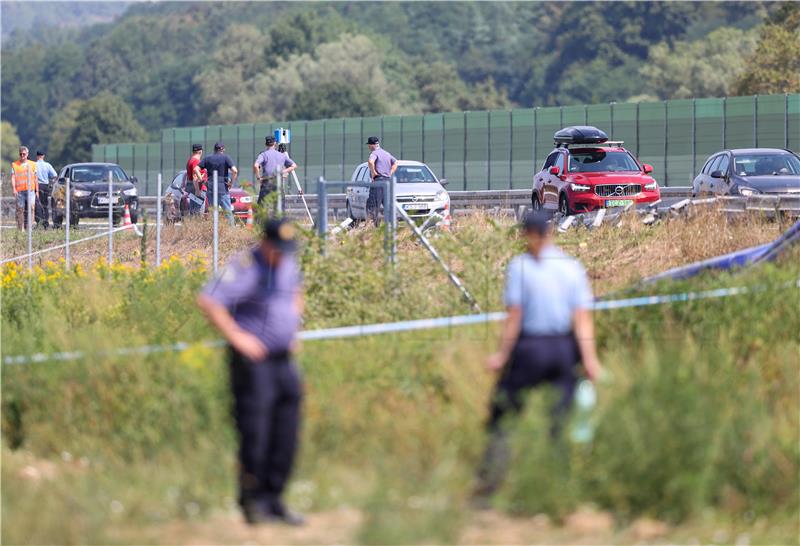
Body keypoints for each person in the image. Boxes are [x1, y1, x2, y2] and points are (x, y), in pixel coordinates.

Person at [474, 210, 602, 502]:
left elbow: (515, 317)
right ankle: (561, 488)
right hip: (563, 350)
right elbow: (582, 318)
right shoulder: (571, 267)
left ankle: (489, 486)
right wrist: (590, 360)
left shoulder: (520, 267)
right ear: (550, 232)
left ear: (527, 235)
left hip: (531, 348)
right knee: (560, 420)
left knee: (504, 413)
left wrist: (502, 355)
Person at [197, 218, 305, 526]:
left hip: (283, 360)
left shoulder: (287, 263)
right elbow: (209, 300)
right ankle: (252, 502)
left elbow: (296, 292)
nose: (283, 254)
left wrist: (293, 329)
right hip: (253, 364)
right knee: (256, 431)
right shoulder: (246, 266)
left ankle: (275, 499)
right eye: (278, 249)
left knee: (287, 431)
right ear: (265, 243)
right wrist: (238, 337)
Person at [199, 142, 238, 225]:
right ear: (223, 149)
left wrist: (202, 181)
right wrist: (231, 182)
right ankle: (231, 231)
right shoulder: (226, 158)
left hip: (210, 188)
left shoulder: (207, 158)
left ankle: (214, 231)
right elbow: (235, 171)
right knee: (227, 211)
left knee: (213, 211)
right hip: (222, 188)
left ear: (214, 149)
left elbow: (196, 169)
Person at [254, 136, 297, 205]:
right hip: (278, 183)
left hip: (266, 183)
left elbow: (256, 165)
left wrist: (259, 178)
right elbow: (294, 165)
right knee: (279, 207)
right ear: (275, 143)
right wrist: (283, 172)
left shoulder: (263, 154)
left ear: (265, 144)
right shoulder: (282, 155)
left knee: (261, 207)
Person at [365, 136, 397, 226]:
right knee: (388, 206)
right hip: (387, 182)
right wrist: (390, 173)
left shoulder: (374, 153)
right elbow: (395, 162)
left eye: (369, 145)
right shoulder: (386, 153)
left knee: (373, 206)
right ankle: (392, 227)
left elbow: (370, 162)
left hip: (378, 181)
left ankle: (373, 228)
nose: (368, 147)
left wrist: (373, 172)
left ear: (372, 145)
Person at [11, 146, 38, 231]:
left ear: (27, 154)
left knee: (32, 208)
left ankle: (29, 227)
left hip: (31, 190)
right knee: (20, 210)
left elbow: (36, 178)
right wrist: (14, 189)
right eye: (21, 154)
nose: (22, 155)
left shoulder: (33, 164)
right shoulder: (14, 164)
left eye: (24, 154)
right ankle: (21, 228)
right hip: (20, 191)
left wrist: (37, 190)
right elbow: (13, 177)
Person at [34, 150, 57, 229]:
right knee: (45, 205)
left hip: (36, 186)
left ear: (37, 156)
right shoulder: (47, 165)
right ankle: (46, 223)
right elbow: (55, 175)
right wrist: (51, 183)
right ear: (43, 156)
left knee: (37, 205)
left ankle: (38, 222)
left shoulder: (34, 165)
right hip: (45, 186)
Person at [185, 144, 207, 216]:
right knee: (198, 213)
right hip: (198, 189)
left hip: (192, 189)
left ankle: (193, 226)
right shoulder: (196, 161)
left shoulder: (190, 160)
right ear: (200, 151)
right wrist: (198, 190)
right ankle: (197, 226)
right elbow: (195, 177)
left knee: (193, 212)